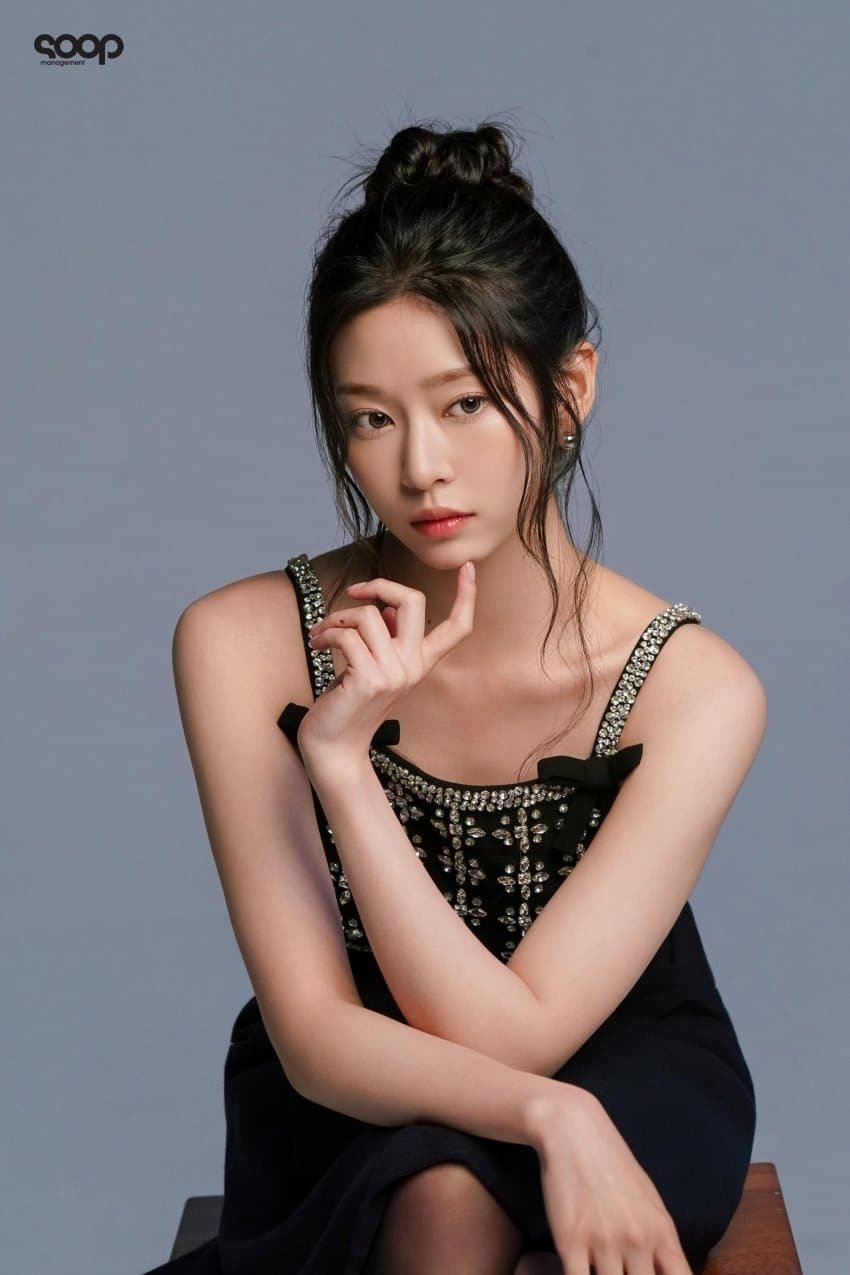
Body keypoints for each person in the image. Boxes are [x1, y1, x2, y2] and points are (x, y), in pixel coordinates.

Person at [140, 120, 766, 1275]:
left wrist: (568, 1103)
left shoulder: (693, 687)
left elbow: (519, 1034)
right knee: (435, 1187)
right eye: (371, 417)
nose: (419, 465)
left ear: (568, 389)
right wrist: (338, 761)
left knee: (461, 1188)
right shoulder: (241, 643)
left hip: (620, 1055)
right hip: (356, 1073)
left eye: (465, 403)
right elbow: (315, 1032)